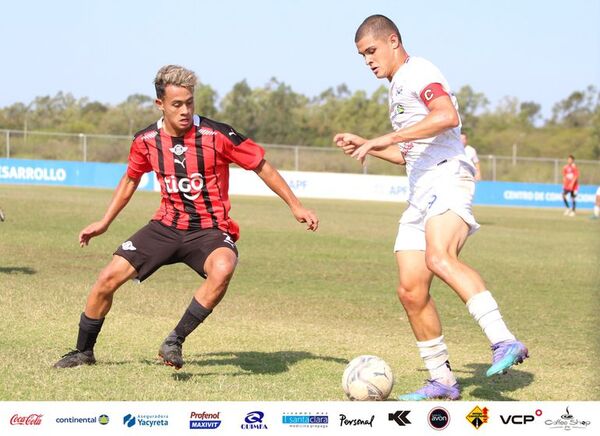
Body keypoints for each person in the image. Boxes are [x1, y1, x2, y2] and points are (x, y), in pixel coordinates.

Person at [54, 65, 319, 369]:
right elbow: (130, 180)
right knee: (106, 279)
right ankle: (83, 353)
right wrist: (104, 222)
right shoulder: (145, 140)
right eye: (176, 104)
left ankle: (174, 341)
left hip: (209, 230)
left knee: (223, 268)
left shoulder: (217, 134)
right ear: (160, 104)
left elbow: (261, 165)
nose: (184, 110)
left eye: (189, 102)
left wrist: (295, 205)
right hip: (166, 226)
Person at [334, 15, 528, 400]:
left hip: (447, 179)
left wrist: (381, 138)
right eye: (362, 56)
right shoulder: (396, 88)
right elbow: (410, 156)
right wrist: (368, 145)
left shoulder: (418, 71)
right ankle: (443, 380)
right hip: (420, 189)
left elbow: (446, 116)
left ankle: (504, 340)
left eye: (371, 51)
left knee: (440, 257)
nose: (368, 61)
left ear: (393, 41)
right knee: (410, 290)